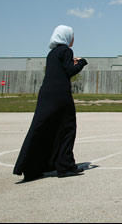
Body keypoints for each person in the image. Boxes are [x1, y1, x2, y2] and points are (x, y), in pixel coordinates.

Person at [13, 25, 88, 181]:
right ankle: (65, 166)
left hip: (46, 94)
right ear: (66, 37)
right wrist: (81, 62)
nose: (73, 39)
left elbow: (61, 69)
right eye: (72, 36)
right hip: (60, 95)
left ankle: (31, 168)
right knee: (67, 128)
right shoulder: (66, 51)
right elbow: (69, 71)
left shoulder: (52, 53)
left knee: (43, 127)